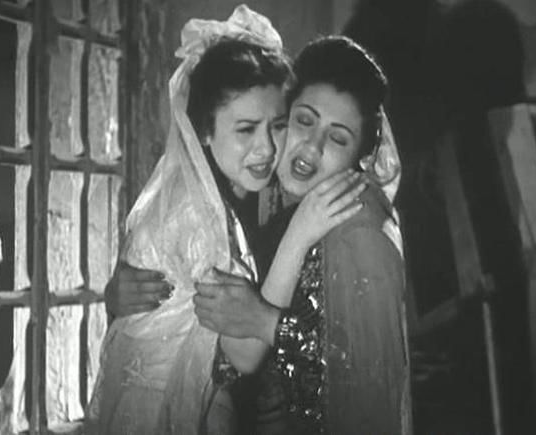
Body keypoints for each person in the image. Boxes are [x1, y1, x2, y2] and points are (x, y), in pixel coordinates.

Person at [85, 8, 365, 435]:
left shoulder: (248, 187)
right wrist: (300, 234)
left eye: (277, 126)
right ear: (203, 131)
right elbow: (244, 355)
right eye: (246, 129)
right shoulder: (196, 216)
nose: (266, 148)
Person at [193, 36, 411, 435]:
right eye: (304, 121)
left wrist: (270, 325)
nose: (312, 146)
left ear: (361, 156)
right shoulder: (269, 194)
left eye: (338, 138)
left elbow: (369, 388)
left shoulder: (360, 233)